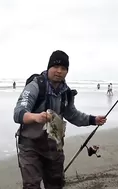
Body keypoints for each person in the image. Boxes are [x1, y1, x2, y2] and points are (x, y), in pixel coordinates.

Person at [13, 50, 107, 189]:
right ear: (48, 67)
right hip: (30, 146)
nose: (59, 71)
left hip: (54, 147)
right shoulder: (35, 86)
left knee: (56, 184)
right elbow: (18, 113)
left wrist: (93, 120)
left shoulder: (66, 93)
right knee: (31, 185)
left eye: (63, 68)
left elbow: (72, 115)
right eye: (55, 67)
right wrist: (36, 117)